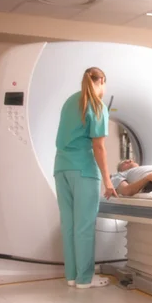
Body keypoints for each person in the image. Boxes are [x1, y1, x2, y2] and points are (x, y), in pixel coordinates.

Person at [53, 67, 117, 290]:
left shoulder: (71, 101)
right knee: (84, 227)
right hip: (83, 171)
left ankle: (72, 276)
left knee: (69, 225)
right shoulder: (97, 106)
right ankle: (85, 279)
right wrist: (108, 181)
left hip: (61, 169)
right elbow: (98, 147)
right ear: (102, 82)